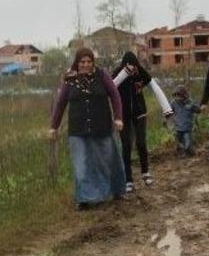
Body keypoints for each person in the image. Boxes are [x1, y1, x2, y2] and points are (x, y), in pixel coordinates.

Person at [50, 48, 126, 209]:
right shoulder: (70, 80)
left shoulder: (102, 75)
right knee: (81, 164)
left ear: (93, 62)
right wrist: (54, 127)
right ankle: (84, 199)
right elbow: (60, 103)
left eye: (89, 62)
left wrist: (118, 118)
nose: (86, 65)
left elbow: (115, 95)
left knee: (107, 161)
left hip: (102, 126)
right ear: (77, 63)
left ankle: (116, 190)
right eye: (82, 62)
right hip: (78, 129)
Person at [112, 51, 173, 192]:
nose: (132, 68)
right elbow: (111, 86)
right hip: (123, 115)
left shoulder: (140, 72)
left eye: (134, 66)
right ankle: (128, 180)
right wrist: (124, 73)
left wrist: (167, 109)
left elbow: (155, 87)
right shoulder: (118, 72)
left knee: (141, 142)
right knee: (126, 146)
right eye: (129, 66)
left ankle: (145, 172)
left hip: (140, 113)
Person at [170, 84, 201, 157]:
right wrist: (166, 120)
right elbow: (169, 112)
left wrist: (193, 106)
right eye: (176, 95)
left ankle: (191, 152)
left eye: (179, 95)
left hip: (187, 127)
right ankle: (182, 154)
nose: (177, 97)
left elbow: (198, 110)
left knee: (187, 144)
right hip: (178, 127)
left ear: (184, 95)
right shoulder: (173, 103)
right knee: (179, 144)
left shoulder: (190, 102)